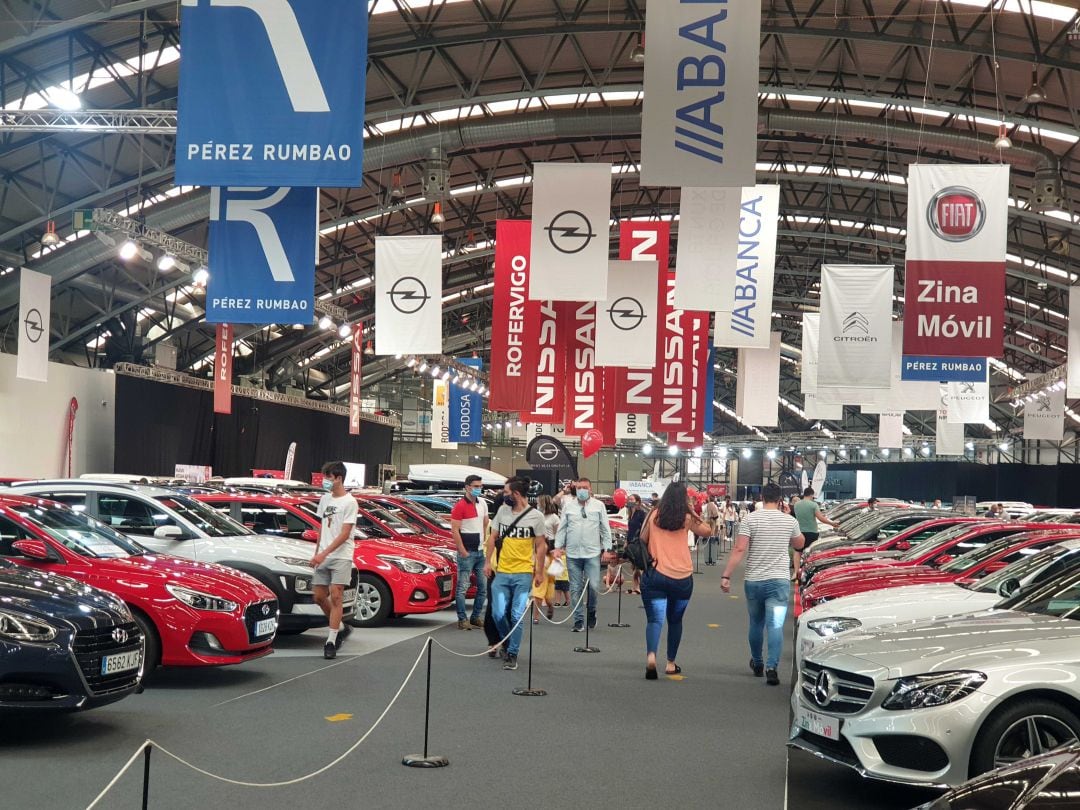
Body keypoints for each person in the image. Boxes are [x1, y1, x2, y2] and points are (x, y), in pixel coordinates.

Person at [721, 482, 804, 686]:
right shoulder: (789, 521)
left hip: (754, 581)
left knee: (756, 623)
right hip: (779, 581)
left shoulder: (750, 519)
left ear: (761, 498)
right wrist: (788, 516)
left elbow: (739, 549)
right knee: (775, 625)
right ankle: (772, 667)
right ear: (780, 500)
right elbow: (799, 544)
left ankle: (757, 662)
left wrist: (726, 575)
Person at [639, 481, 713, 679]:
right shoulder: (687, 518)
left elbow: (642, 537)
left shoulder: (654, 515)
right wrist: (694, 512)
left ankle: (651, 657)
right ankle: (671, 663)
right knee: (675, 620)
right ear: (684, 499)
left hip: (655, 575)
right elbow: (707, 531)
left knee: (654, 619)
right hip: (682, 578)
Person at [485, 477, 549, 671]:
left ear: (517, 494)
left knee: (516, 614)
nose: (503, 496)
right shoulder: (502, 512)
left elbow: (540, 546)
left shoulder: (536, 516)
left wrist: (538, 572)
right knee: (497, 613)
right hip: (502, 573)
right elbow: (492, 537)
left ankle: (512, 653)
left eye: (506, 492)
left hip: (523, 573)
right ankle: (506, 641)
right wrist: (488, 562)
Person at [553, 477, 613, 632]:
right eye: (579, 487)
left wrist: (607, 549)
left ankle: (592, 611)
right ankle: (578, 620)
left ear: (590, 489)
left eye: (584, 487)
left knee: (593, 587)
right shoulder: (568, 506)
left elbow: (605, 528)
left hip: (592, 553)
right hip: (572, 554)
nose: (581, 490)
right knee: (575, 587)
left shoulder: (599, 506)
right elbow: (562, 529)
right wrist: (558, 547)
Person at [313, 461, 358, 660]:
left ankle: (330, 641)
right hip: (322, 555)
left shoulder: (350, 502)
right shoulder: (324, 499)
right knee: (319, 596)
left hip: (341, 555)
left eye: (328, 478)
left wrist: (325, 553)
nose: (325, 482)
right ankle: (339, 626)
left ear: (338, 478)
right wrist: (317, 552)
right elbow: (322, 528)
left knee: (336, 594)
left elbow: (345, 533)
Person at [450, 475, 489, 630]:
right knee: (462, 588)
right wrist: (462, 550)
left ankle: (475, 617)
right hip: (467, 553)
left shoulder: (483, 503)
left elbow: (485, 523)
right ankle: (462, 618)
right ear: (467, 487)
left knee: (483, 588)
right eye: (475, 486)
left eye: (480, 486)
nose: (479, 488)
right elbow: (455, 530)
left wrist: (484, 542)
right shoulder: (459, 506)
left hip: (480, 551)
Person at [791, 487, 839, 579]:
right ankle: (805, 573)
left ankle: (796, 573)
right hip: (812, 532)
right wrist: (832, 523)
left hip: (799, 532)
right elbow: (820, 518)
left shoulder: (797, 504)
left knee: (797, 552)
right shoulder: (813, 505)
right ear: (812, 495)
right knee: (810, 553)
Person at [532, 495, 560, 623]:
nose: (537, 505)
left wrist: (558, 549)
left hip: (550, 552)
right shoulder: (536, 516)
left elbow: (559, 534)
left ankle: (549, 605)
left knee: (549, 587)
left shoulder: (554, 518)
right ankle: (536, 616)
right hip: (538, 551)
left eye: (539, 503)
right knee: (538, 583)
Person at [623, 494, 646, 593]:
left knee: (638, 566)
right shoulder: (630, 514)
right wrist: (626, 541)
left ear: (637, 502)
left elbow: (644, 527)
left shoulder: (641, 513)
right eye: (629, 499)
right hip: (630, 541)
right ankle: (635, 587)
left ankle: (642, 586)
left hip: (638, 541)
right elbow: (630, 529)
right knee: (633, 566)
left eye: (632, 499)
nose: (630, 500)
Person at [703, 495, 721, 565]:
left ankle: (707, 560)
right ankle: (713, 560)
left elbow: (703, 514)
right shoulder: (715, 506)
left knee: (706, 539)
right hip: (713, 522)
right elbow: (717, 516)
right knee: (713, 539)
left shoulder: (705, 506)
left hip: (706, 522)